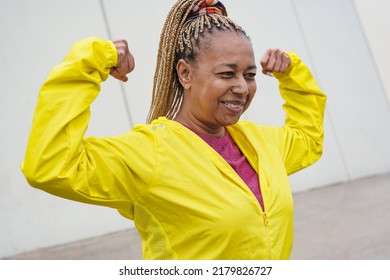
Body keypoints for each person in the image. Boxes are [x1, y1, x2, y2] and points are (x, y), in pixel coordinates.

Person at [21, 0, 326, 260]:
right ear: (185, 73)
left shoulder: (260, 143)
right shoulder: (151, 154)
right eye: (226, 74)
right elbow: (50, 166)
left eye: (249, 75)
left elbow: (308, 140)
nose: (242, 88)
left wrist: (293, 76)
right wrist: (89, 63)